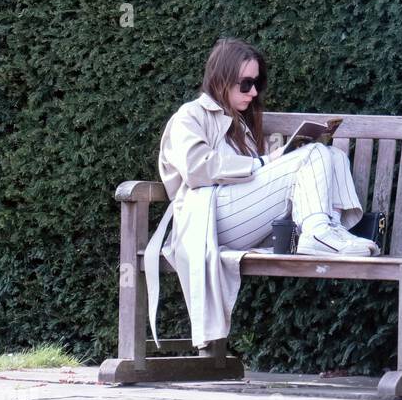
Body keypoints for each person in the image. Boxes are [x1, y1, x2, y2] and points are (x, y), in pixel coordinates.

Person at [144, 37, 379, 351]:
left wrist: (279, 155)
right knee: (313, 154)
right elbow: (196, 169)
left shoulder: (241, 123)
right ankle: (319, 233)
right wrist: (263, 162)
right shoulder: (191, 116)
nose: (253, 92)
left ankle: (327, 231)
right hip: (209, 219)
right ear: (221, 78)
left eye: (257, 83)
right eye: (245, 84)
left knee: (329, 153)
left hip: (240, 215)